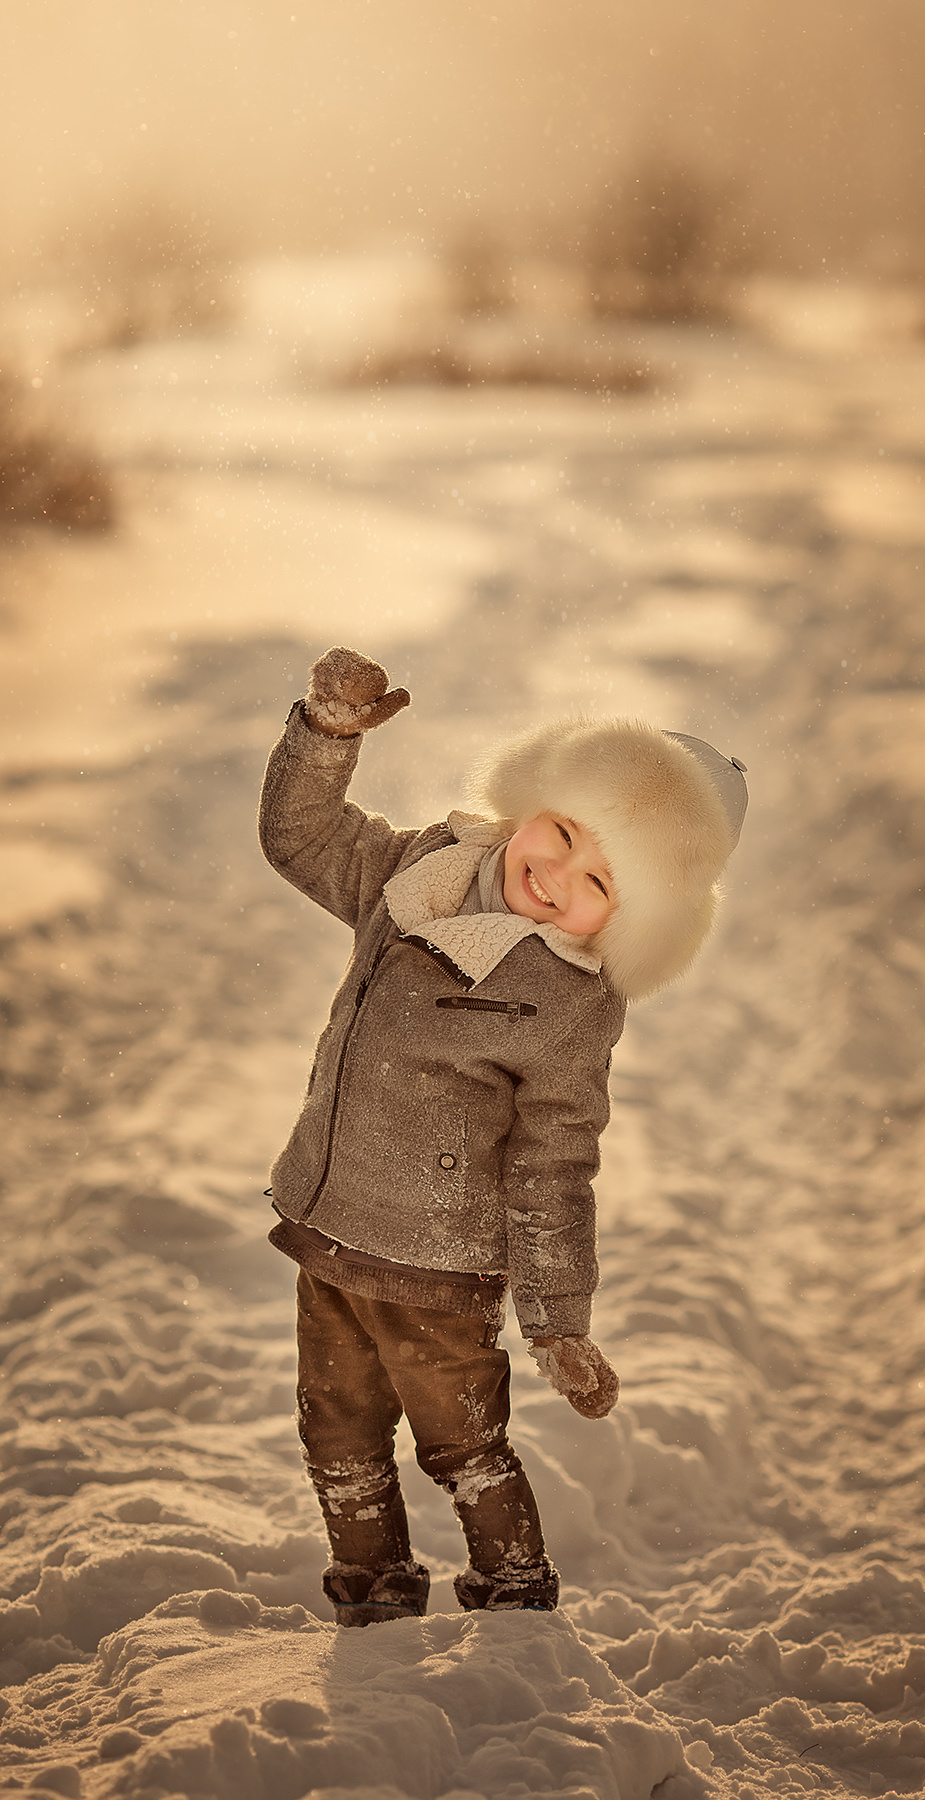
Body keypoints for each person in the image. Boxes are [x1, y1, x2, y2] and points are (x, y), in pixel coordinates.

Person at [259, 646, 748, 1625]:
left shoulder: (568, 1005)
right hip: (330, 1227)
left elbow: (554, 1169)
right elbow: (303, 839)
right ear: (529, 800)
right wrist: (324, 737)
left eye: (600, 879)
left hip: (440, 1270)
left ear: (633, 919)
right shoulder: (420, 875)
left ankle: (515, 1591)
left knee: (463, 1445)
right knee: (338, 1433)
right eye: (560, 830)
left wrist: (559, 1319)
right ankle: (373, 1589)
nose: (555, 872)